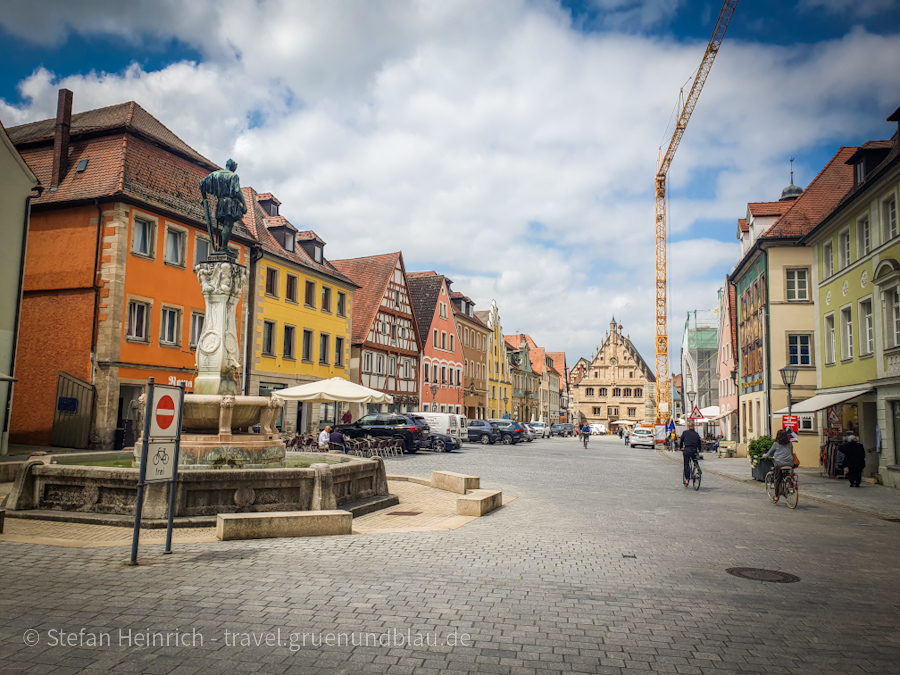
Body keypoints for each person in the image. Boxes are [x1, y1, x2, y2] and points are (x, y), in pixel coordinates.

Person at [764, 429, 795, 501]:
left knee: (777, 479)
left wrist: (765, 456)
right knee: (788, 473)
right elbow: (791, 452)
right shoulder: (790, 443)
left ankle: (776, 496)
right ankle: (789, 482)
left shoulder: (776, 444)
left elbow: (770, 452)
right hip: (790, 463)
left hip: (780, 463)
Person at [679, 422, 702, 486]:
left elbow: (681, 441)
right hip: (694, 450)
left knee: (686, 464)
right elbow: (699, 443)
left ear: (688, 427)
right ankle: (698, 469)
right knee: (695, 460)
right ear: (694, 427)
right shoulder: (696, 434)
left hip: (687, 449)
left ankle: (687, 479)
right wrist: (699, 449)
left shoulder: (685, 433)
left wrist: (680, 447)